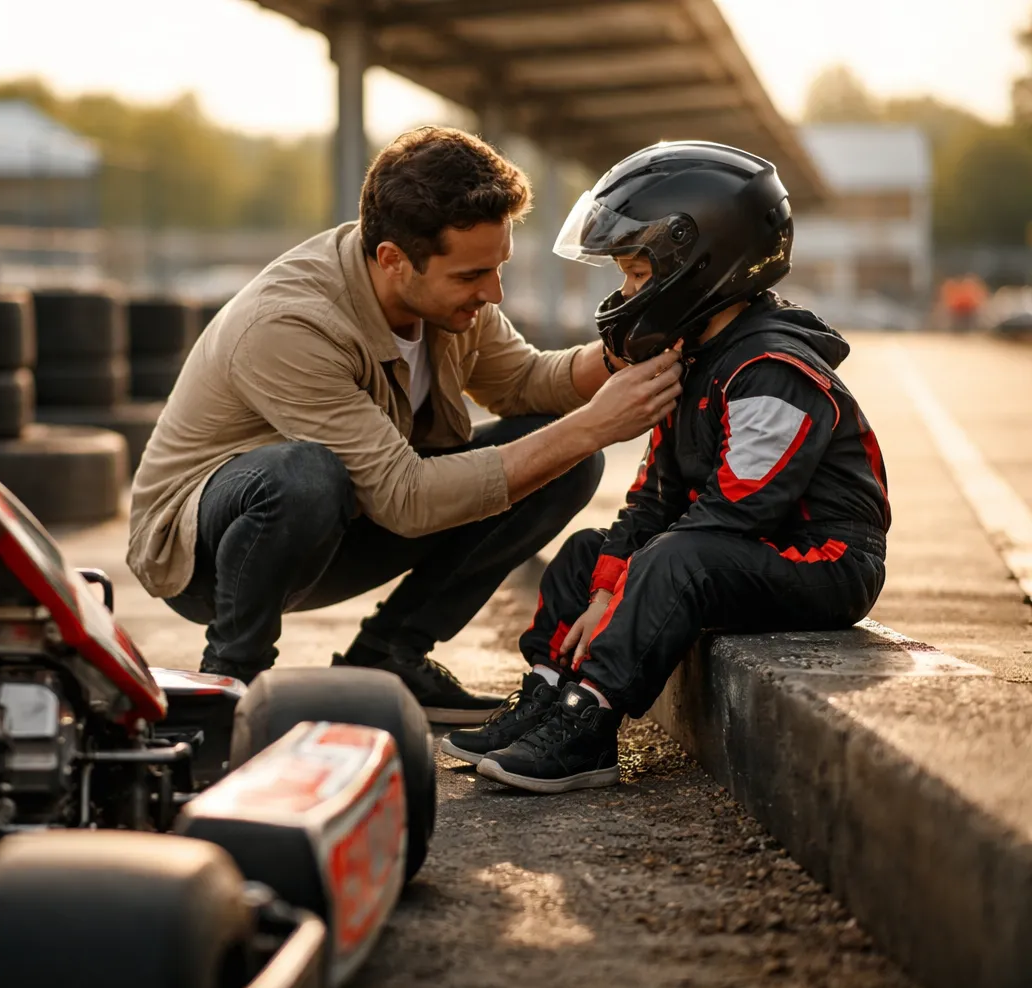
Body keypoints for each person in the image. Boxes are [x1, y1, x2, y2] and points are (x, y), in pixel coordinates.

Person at [126, 126, 685, 723]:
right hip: (207, 552)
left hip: (348, 519)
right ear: (393, 259)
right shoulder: (289, 324)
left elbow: (523, 383)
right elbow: (405, 499)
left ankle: (389, 655)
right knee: (305, 474)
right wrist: (593, 426)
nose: (492, 293)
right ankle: (232, 683)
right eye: (472, 276)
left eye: (497, 268)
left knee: (562, 461)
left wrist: (622, 354)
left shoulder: (443, 296)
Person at [441, 141, 891, 790]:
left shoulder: (771, 369)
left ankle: (588, 723)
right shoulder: (693, 358)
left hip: (821, 562)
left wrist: (623, 591)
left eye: (636, 274)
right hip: (736, 550)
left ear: (701, 260)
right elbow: (654, 497)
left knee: (674, 558)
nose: (624, 292)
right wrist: (602, 587)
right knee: (584, 556)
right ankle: (544, 696)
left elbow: (737, 512)